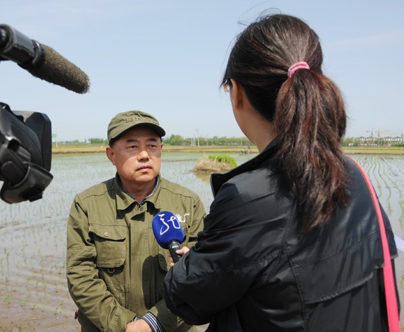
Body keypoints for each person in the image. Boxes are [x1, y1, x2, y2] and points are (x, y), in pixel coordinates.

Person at [163, 14, 399, 331]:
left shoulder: (249, 197)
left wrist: (189, 264)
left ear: (237, 94)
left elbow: (187, 298)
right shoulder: (354, 172)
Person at [67, 110, 205, 332]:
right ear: (111, 155)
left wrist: (154, 323)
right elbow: (80, 276)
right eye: (132, 146)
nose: (144, 155)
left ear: (161, 149)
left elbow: (203, 276)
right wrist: (127, 326)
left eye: (152, 145)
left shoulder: (189, 203)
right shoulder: (87, 204)